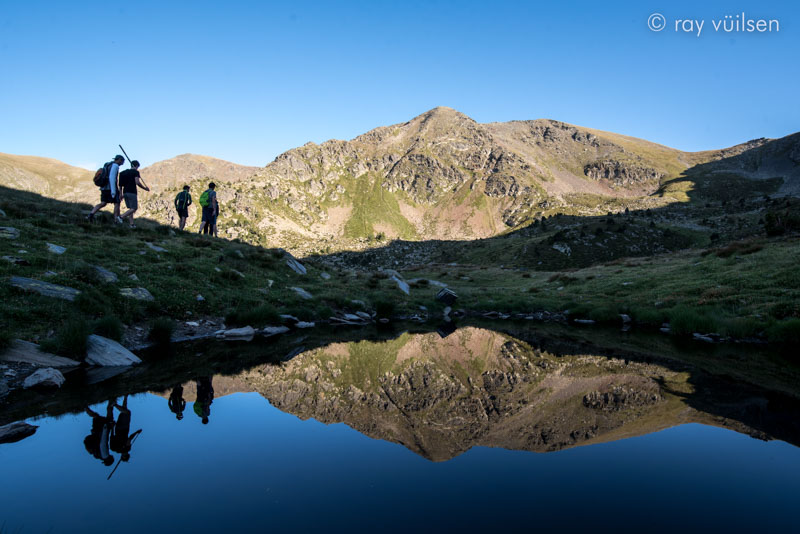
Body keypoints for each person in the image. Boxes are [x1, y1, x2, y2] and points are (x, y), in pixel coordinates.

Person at [87, 155, 124, 223]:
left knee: (103, 203)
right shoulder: (115, 166)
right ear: (119, 160)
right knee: (117, 203)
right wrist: (113, 191)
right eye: (122, 161)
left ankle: (91, 214)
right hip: (111, 188)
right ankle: (116, 220)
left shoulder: (107, 164)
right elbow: (112, 177)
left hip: (103, 188)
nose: (122, 163)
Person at [118, 160, 150, 228]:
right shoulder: (136, 172)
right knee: (134, 208)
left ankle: (131, 224)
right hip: (132, 192)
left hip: (125, 192)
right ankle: (121, 217)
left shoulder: (123, 173)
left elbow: (120, 185)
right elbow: (137, 182)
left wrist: (120, 194)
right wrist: (145, 188)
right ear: (136, 166)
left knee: (130, 209)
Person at [110, 395, 142, 462]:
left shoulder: (127, 448)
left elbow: (130, 438)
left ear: (127, 455)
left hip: (124, 428)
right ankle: (125, 396)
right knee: (124, 411)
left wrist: (137, 432)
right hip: (117, 429)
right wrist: (112, 427)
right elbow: (112, 437)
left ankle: (114, 404)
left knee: (127, 412)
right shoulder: (115, 449)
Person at [84, 400, 116, 466]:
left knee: (97, 416)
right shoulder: (99, 456)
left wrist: (105, 427)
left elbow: (103, 443)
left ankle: (111, 400)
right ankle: (85, 407)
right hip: (97, 433)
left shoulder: (105, 455)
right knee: (97, 416)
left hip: (101, 431)